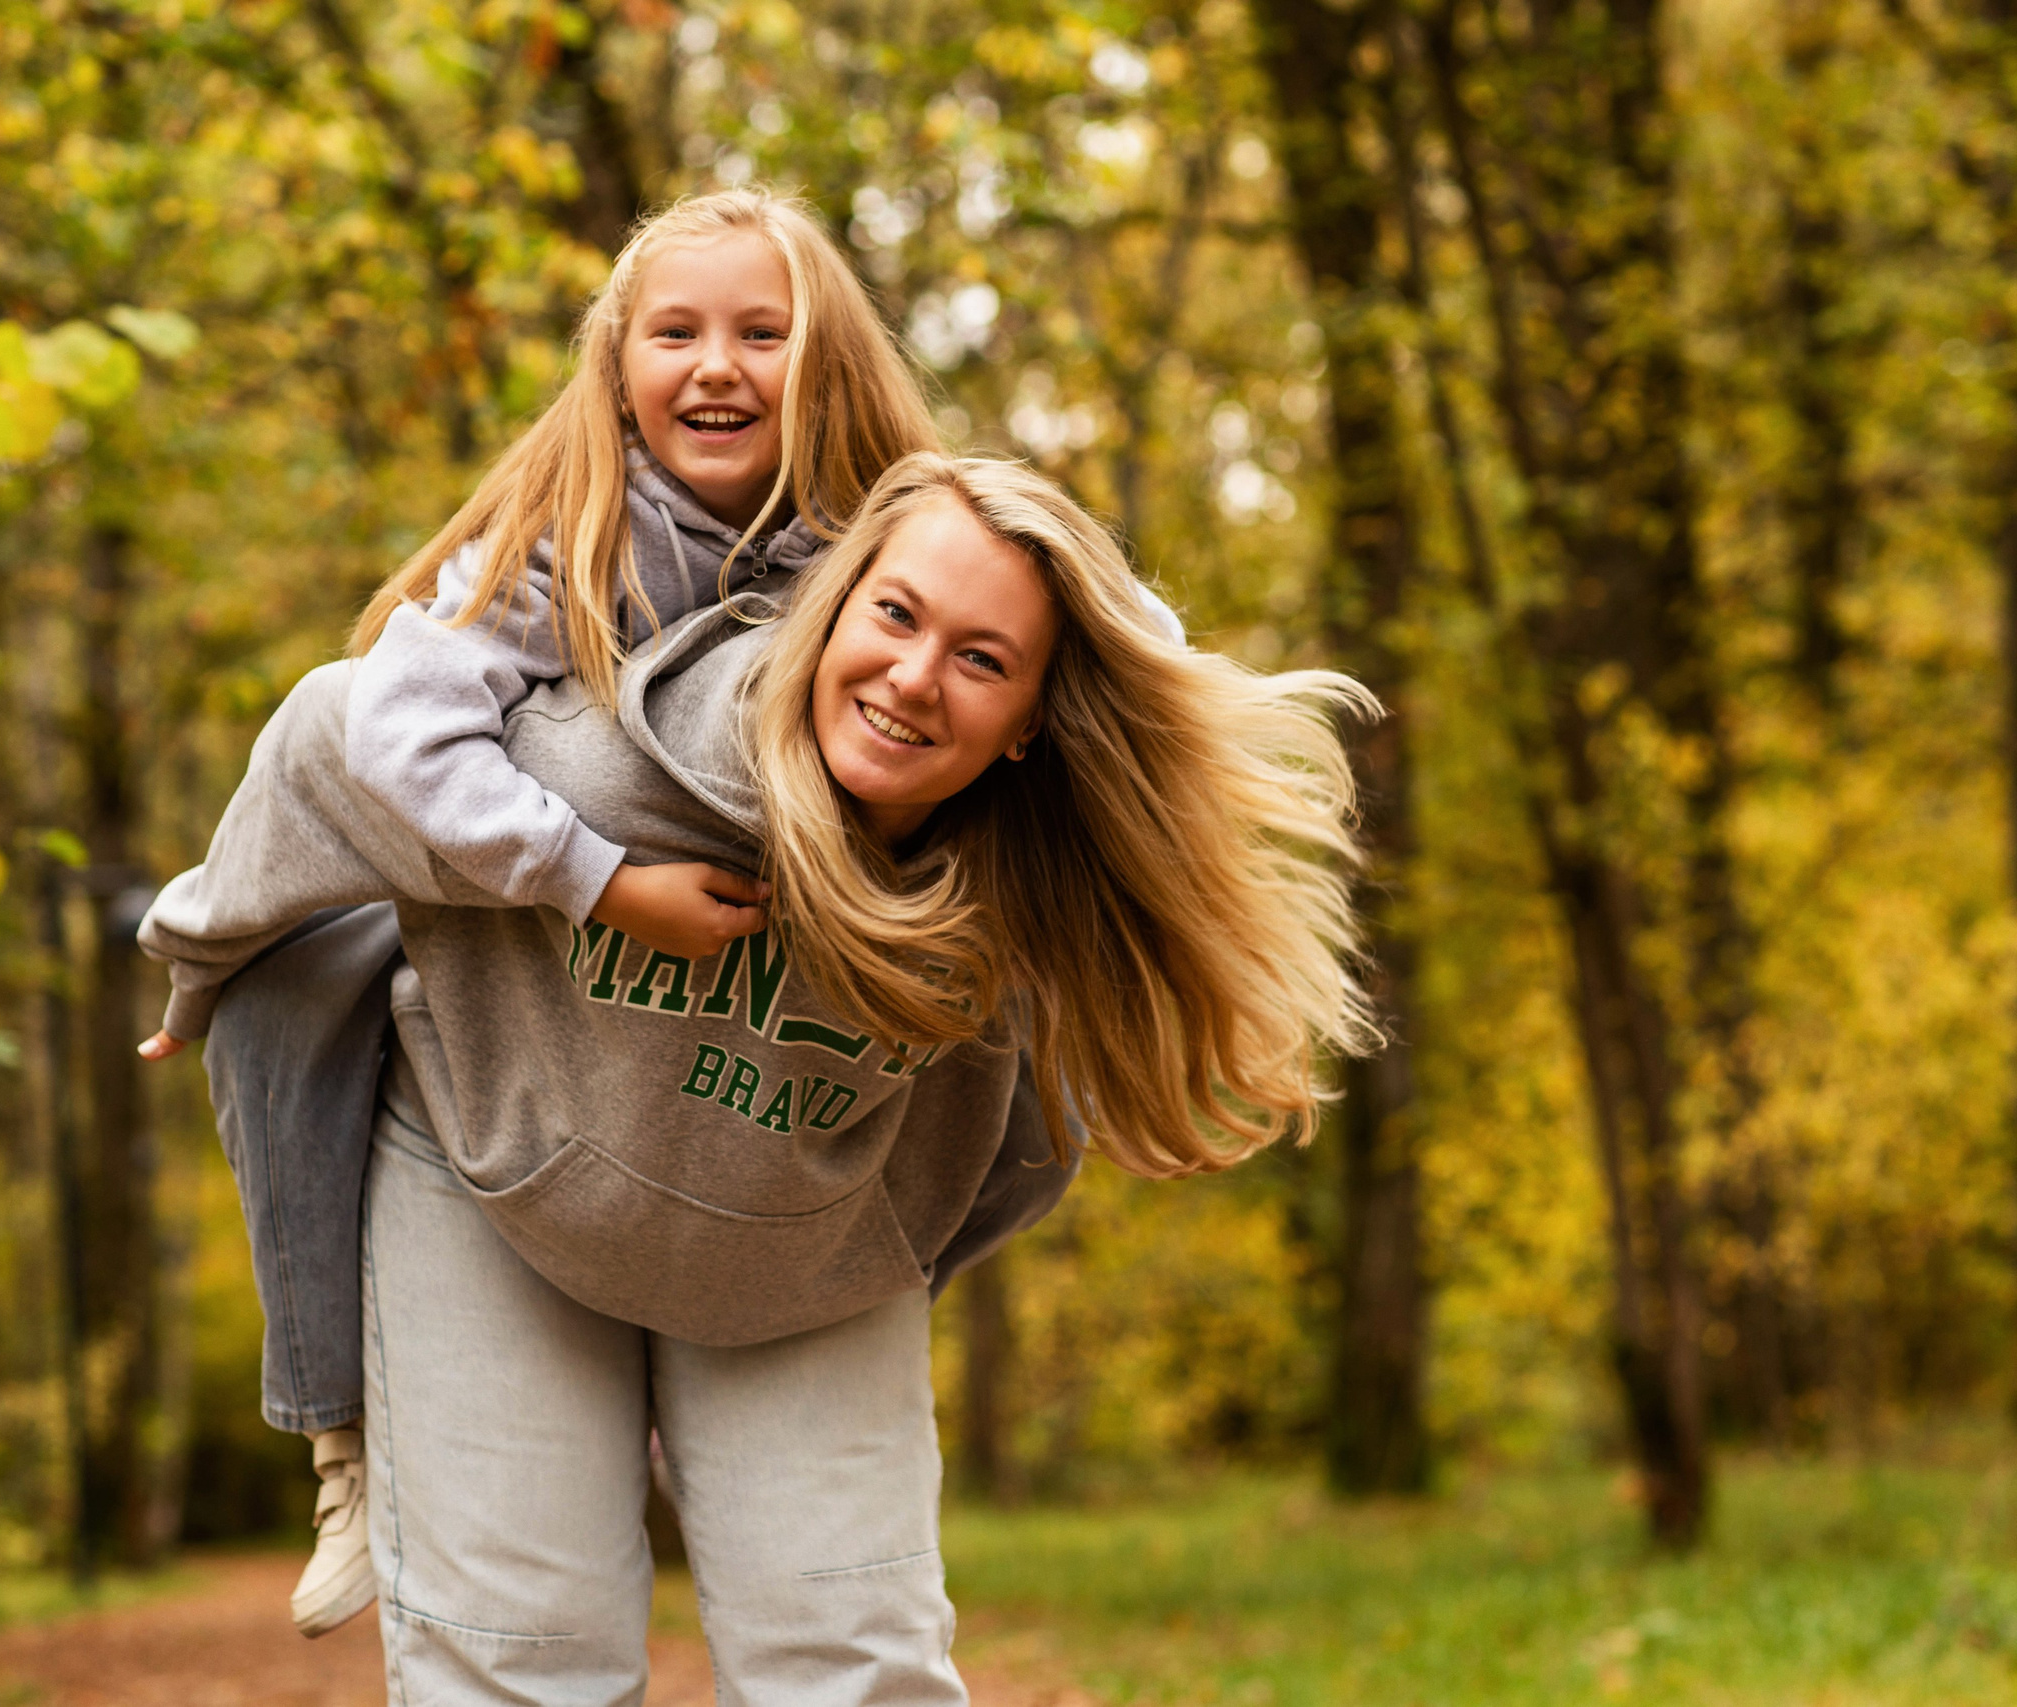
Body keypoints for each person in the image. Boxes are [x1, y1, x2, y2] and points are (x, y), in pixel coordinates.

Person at [140, 454, 1375, 1700]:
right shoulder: (606, 767)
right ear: (829, 604)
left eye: (984, 660)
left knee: (851, 1661)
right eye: (893, 615)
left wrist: (889, 1247)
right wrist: (193, 960)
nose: (912, 678)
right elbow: (325, 740)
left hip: (802, 1244)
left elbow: (1028, 1143)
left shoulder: (1025, 894)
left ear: (1030, 725)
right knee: (519, 1653)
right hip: (494, 1170)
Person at [139, 185, 937, 1635]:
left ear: (826, 361)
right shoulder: (571, 534)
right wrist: (600, 879)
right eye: (676, 331)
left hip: (737, 1074)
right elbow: (386, 740)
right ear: (617, 364)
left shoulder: (879, 552)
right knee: (287, 1012)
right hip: (505, 952)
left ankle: (646, 1376)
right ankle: (340, 1431)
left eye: (765, 331)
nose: (717, 364)